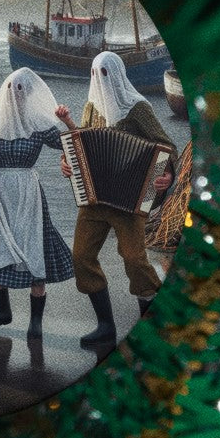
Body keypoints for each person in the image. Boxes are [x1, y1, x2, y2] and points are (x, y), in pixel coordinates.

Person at [60, 51, 176, 347]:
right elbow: (81, 144)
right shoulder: (90, 108)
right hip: (95, 199)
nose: (100, 80)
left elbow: (165, 145)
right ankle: (105, 326)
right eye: (96, 73)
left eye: (106, 73)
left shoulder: (138, 109)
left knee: (135, 260)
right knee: (81, 257)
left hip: (131, 200)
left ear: (119, 73)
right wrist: (67, 162)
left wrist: (165, 175)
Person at [0, 68, 75, 338]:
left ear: (30, 94)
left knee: (33, 246)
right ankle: (2, 311)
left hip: (28, 191)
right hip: (0, 189)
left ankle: (35, 322)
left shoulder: (38, 122)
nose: (17, 96)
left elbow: (70, 144)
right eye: (13, 90)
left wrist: (68, 121)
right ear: (5, 91)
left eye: (22, 91)